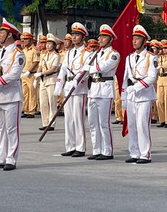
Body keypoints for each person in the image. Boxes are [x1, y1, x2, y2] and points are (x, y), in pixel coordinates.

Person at [0, 19, 25, 171]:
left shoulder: (18, 54)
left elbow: (12, 76)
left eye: (2, 32)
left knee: (12, 129)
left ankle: (11, 159)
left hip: (11, 96)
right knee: (0, 129)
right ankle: (0, 157)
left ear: (9, 35)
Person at [121, 25, 158, 164]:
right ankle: (134, 152)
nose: (134, 41)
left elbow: (151, 77)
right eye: (134, 38)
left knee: (142, 125)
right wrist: (124, 96)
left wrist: (136, 87)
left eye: (137, 38)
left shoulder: (151, 58)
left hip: (144, 96)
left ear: (144, 41)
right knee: (132, 125)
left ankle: (145, 154)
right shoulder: (129, 58)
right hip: (131, 96)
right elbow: (126, 78)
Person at [54, 22, 92, 157]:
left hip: (79, 89)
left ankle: (80, 147)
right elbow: (63, 69)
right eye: (73, 35)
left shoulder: (87, 53)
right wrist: (59, 84)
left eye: (77, 35)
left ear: (83, 37)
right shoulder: (69, 52)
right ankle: (70, 146)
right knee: (68, 118)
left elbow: (85, 71)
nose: (74, 37)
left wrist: (76, 81)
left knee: (78, 118)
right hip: (68, 87)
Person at [86, 24, 120, 160]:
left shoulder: (114, 54)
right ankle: (97, 150)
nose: (100, 39)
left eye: (104, 36)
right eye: (100, 36)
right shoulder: (95, 54)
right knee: (92, 123)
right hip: (93, 89)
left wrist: (89, 67)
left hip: (105, 89)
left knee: (104, 123)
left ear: (110, 39)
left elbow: (103, 67)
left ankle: (107, 151)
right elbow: (88, 68)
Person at [36, 33, 61, 131]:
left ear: (54, 45)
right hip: (43, 80)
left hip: (51, 80)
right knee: (43, 103)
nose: (48, 45)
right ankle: (45, 123)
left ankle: (51, 123)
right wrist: (36, 76)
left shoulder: (56, 56)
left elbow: (53, 68)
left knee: (52, 103)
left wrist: (41, 73)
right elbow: (40, 66)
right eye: (47, 43)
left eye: (50, 43)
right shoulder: (44, 55)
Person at [20, 32, 40, 118]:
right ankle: (26, 109)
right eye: (24, 39)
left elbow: (36, 62)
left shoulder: (34, 50)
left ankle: (31, 111)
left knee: (32, 92)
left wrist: (29, 70)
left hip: (31, 74)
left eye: (27, 39)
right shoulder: (23, 50)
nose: (24, 41)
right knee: (25, 93)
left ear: (31, 40)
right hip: (24, 73)